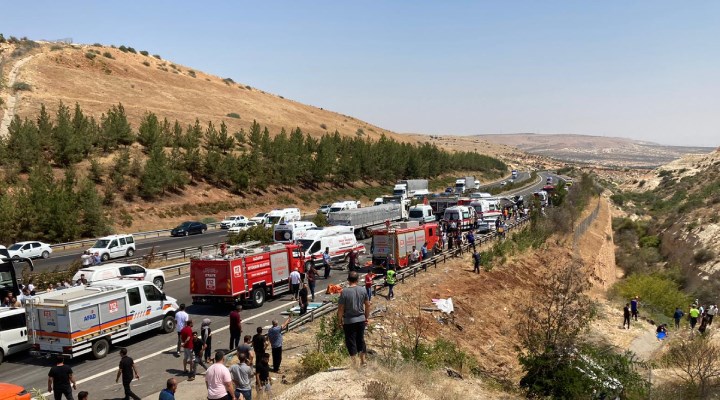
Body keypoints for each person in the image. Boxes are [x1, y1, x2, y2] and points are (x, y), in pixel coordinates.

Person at [337, 271, 371, 367]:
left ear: (348, 280)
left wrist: (339, 321)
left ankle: (354, 363)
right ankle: (363, 361)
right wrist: (366, 317)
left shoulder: (344, 292)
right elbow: (368, 305)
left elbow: (340, 309)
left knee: (350, 341)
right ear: (357, 279)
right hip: (360, 319)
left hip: (349, 321)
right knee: (360, 340)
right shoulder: (363, 290)